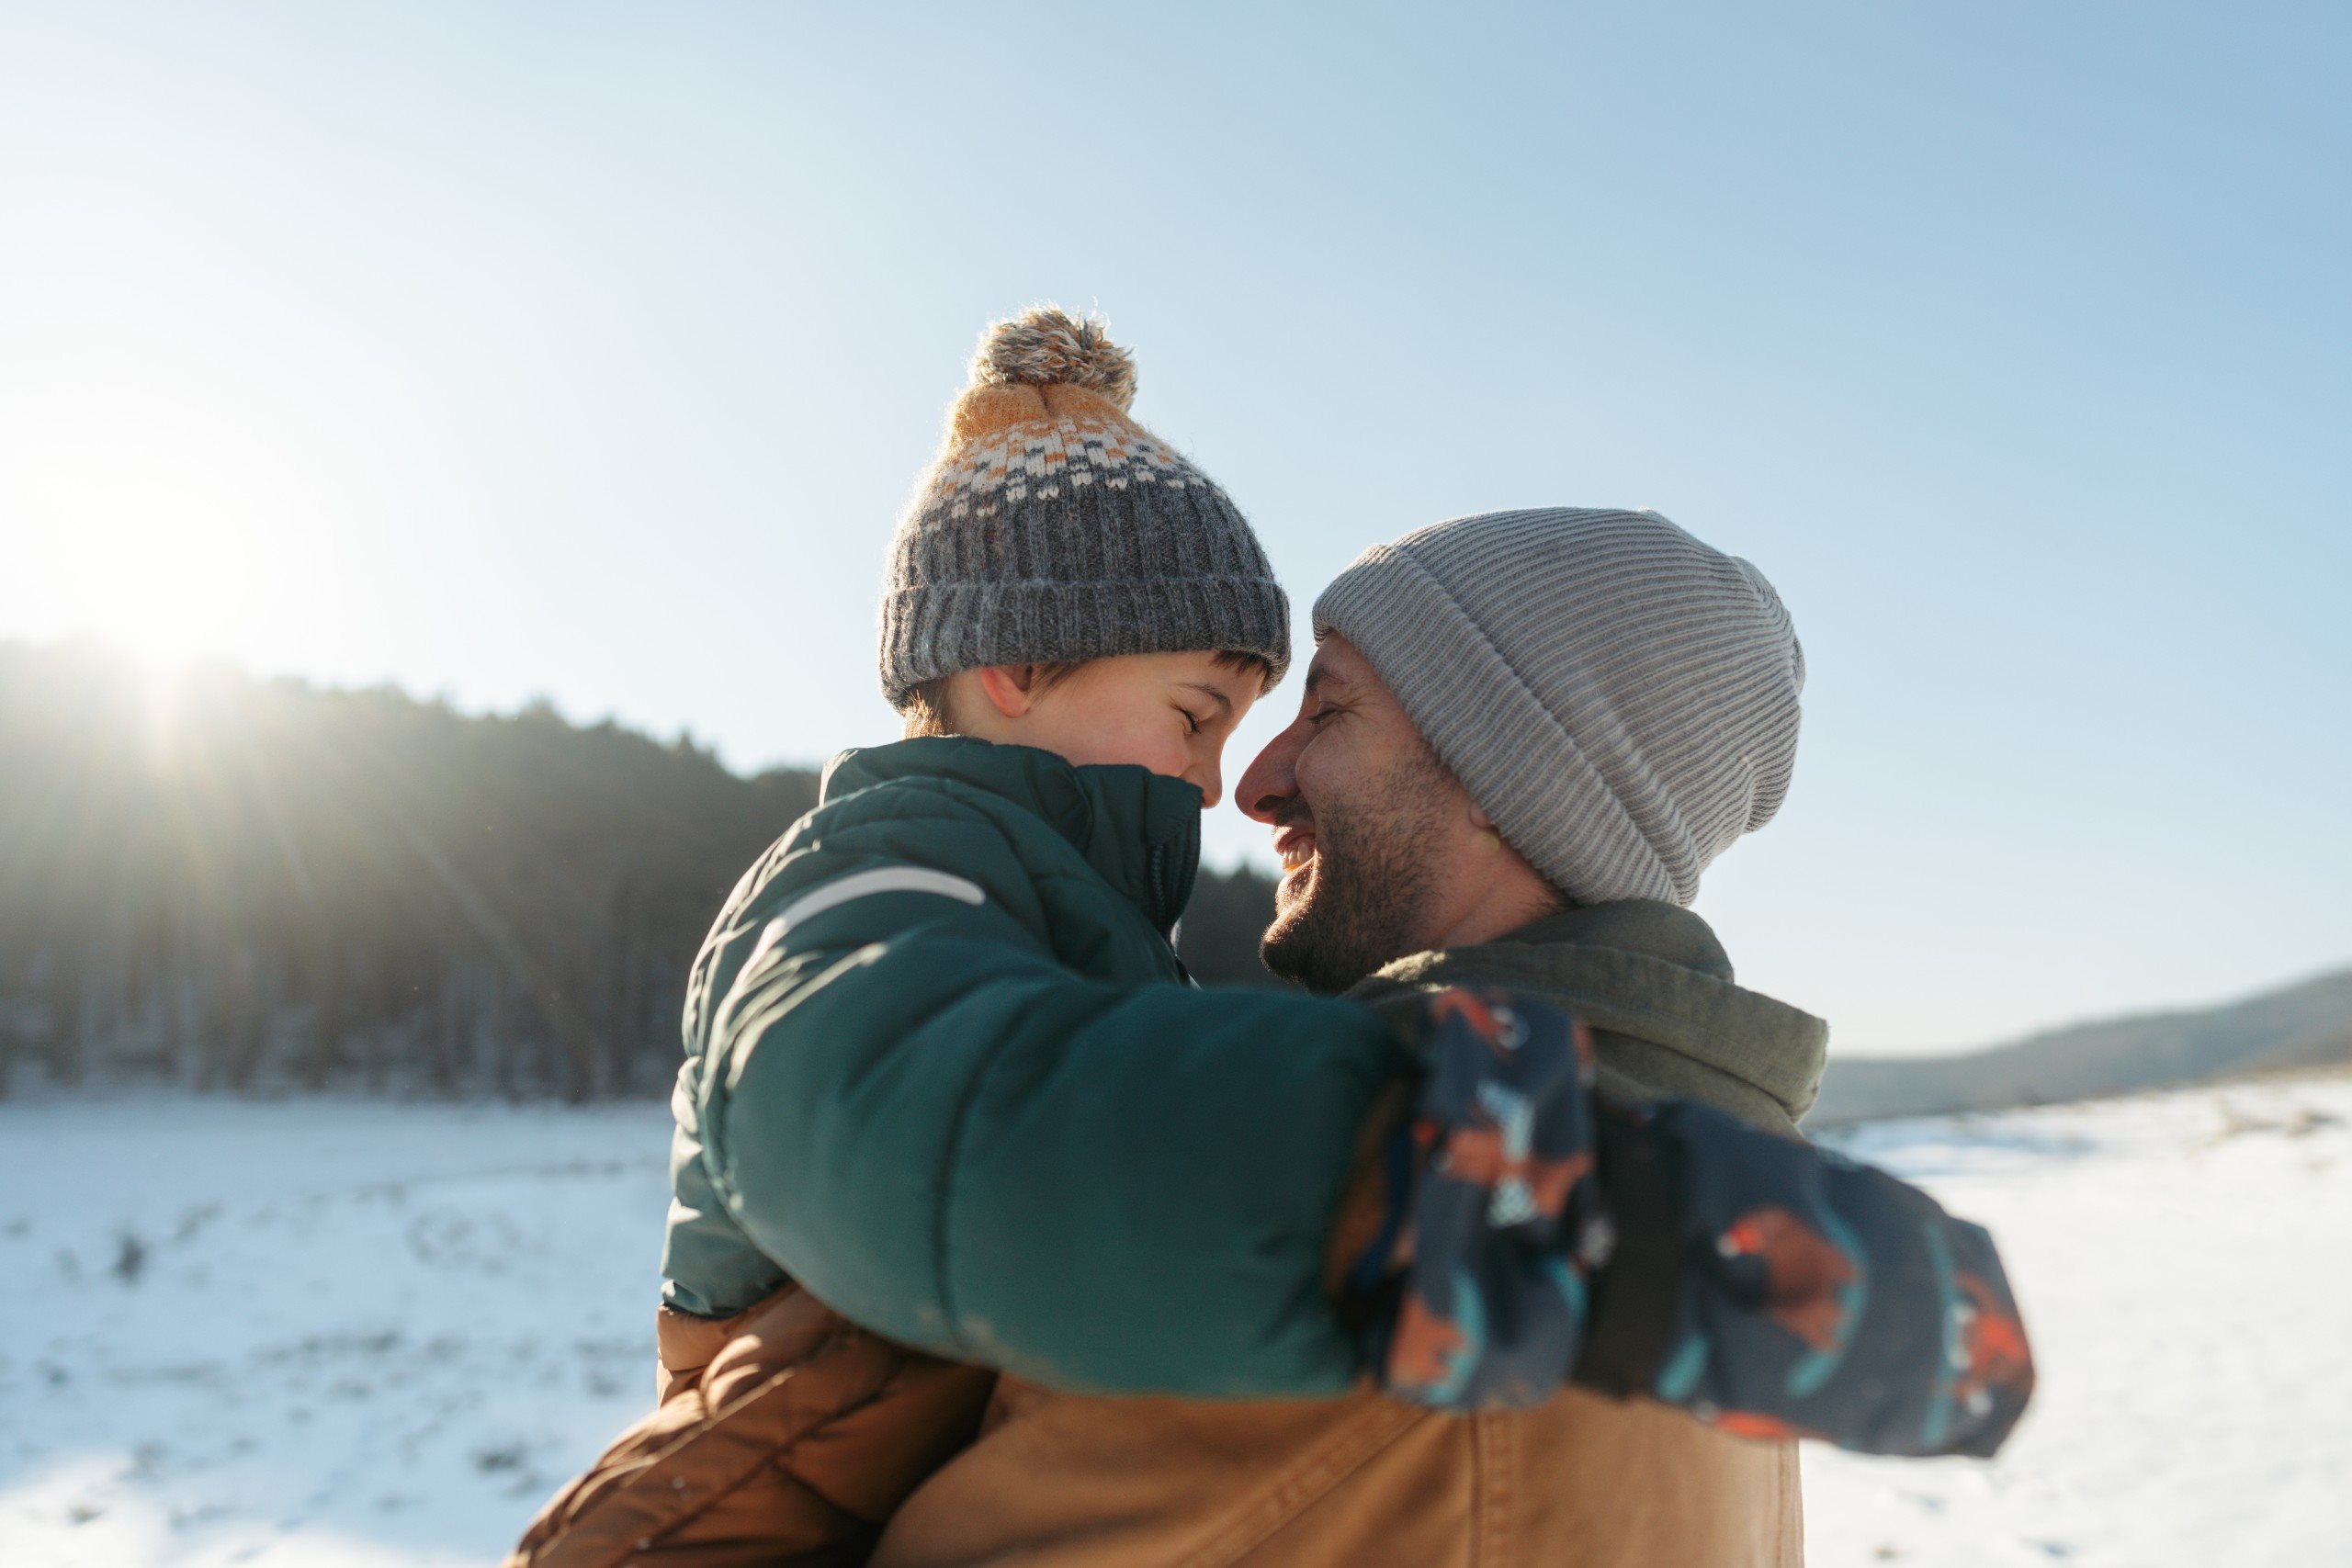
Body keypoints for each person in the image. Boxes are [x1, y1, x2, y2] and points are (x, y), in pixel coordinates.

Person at [510, 322, 2030, 1568]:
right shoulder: (893, 888)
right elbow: (913, 1096)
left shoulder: (1442, 1312)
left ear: (1513, 789)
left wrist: (1570, 1218)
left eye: (1329, 709)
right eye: (1210, 715)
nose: (1249, 783)